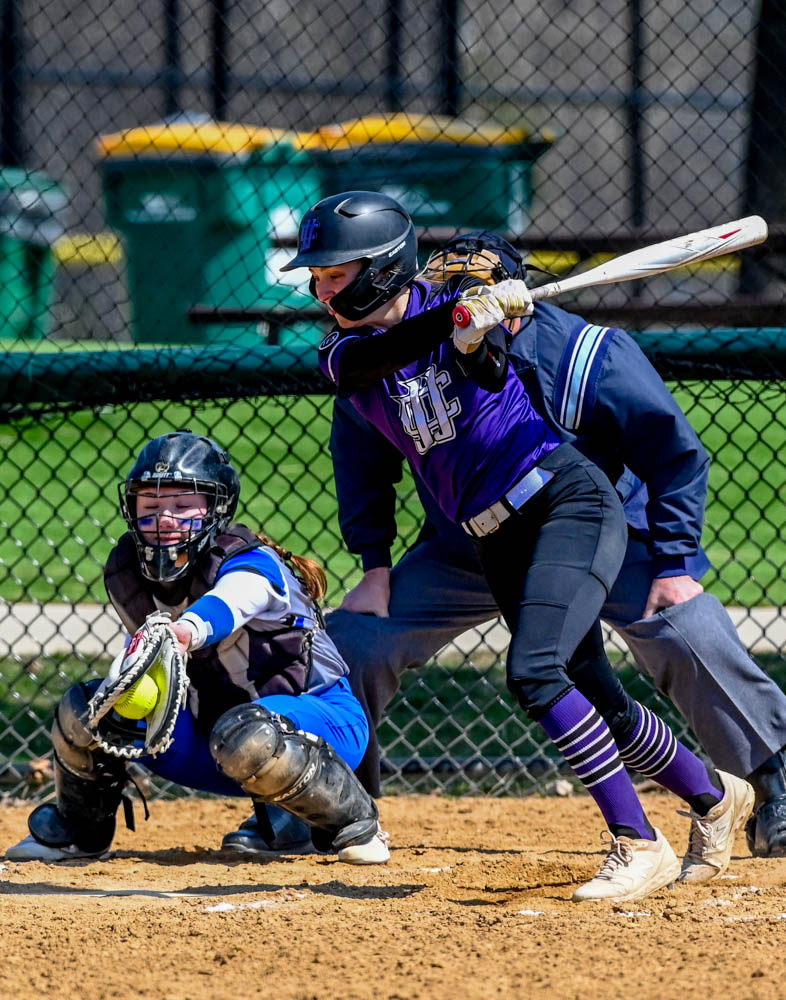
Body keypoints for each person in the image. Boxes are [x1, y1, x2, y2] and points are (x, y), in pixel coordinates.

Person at [270, 189, 754, 902]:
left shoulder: (456, 306)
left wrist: (483, 321)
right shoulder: (342, 353)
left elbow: (490, 362)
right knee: (592, 688)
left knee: (534, 674)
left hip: (565, 502)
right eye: (317, 276)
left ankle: (636, 839)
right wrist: (451, 320)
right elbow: (385, 353)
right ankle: (717, 797)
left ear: (378, 268)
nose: (321, 288)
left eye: (335, 274)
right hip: (491, 536)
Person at [5, 430, 389, 866]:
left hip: (324, 725)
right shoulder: (128, 573)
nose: (164, 518)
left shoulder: (249, 561)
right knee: (86, 710)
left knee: (249, 732)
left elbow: (236, 598)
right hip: (219, 745)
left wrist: (187, 629)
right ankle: (79, 830)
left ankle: (354, 822)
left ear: (216, 510)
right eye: (149, 506)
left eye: (183, 506)